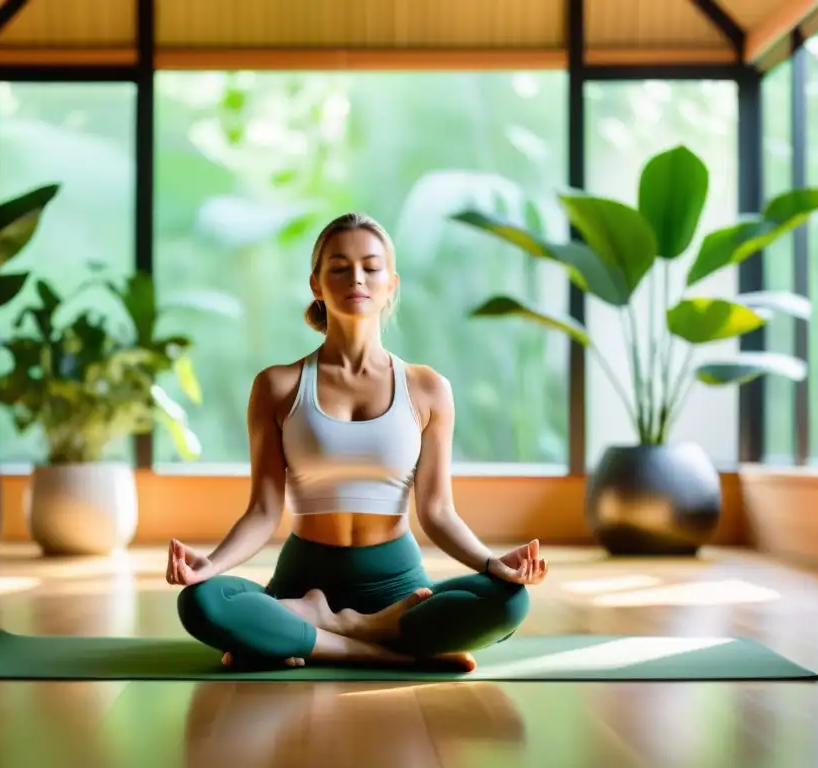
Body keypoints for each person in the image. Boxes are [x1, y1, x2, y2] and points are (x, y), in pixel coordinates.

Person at [166, 212, 548, 672]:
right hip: (301, 585)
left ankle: (311, 634)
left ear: (391, 283)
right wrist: (209, 565)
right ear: (316, 283)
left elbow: (437, 511)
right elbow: (264, 510)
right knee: (202, 602)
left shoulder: (428, 389)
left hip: (397, 589)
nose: (357, 278)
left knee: (508, 602)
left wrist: (491, 564)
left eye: (371, 266)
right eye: (340, 266)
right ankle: (380, 648)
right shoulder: (278, 386)